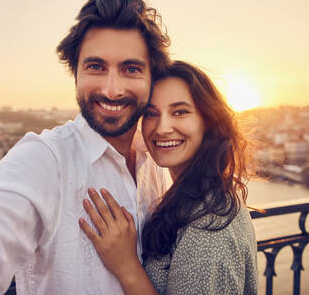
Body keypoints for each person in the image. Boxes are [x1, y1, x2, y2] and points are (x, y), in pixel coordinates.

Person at [0, 0, 171, 294]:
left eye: (131, 69)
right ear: (76, 73)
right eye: (95, 67)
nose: (111, 89)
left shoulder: (157, 162)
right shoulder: (47, 159)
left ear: (152, 78)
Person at [80, 61, 258, 294]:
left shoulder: (209, 225)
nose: (162, 128)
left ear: (208, 121)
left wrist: (127, 266)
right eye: (151, 114)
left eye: (180, 112)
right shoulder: (197, 195)